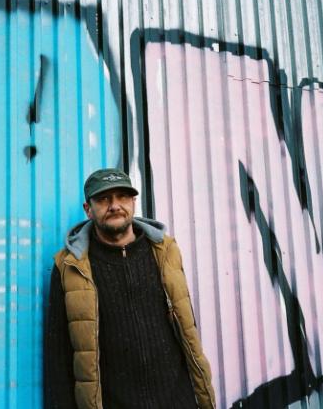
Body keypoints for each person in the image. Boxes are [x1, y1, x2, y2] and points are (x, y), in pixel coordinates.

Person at [46, 168, 216, 408]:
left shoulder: (165, 252)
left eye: (123, 196)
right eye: (103, 199)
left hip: (177, 401)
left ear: (134, 202)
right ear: (88, 209)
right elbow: (58, 355)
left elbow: (187, 328)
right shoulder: (70, 267)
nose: (114, 205)